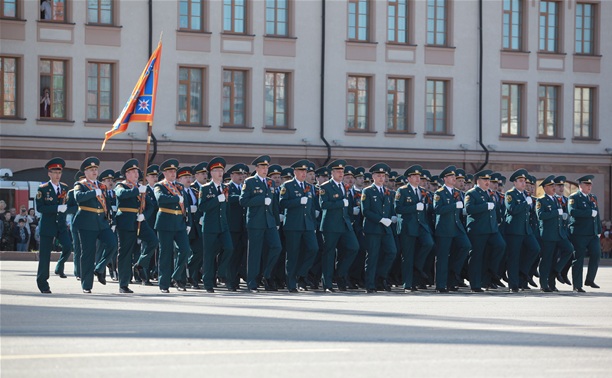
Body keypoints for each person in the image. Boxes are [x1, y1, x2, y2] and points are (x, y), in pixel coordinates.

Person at [73, 156, 118, 293]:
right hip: (86, 222)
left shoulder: (102, 186)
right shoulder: (80, 185)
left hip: (102, 222)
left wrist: (111, 220)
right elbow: (78, 198)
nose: (94, 172)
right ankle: (86, 285)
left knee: (112, 243)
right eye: (91, 170)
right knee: (88, 253)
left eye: (95, 169)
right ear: (85, 172)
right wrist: (93, 193)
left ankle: (99, 268)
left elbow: (107, 204)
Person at [114, 159, 159, 294]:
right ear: (126, 174)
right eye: (132, 172)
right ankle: (123, 284)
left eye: (137, 172)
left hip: (140, 221)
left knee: (153, 241)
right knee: (125, 253)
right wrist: (137, 190)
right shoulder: (121, 185)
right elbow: (122, 195)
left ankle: (140, 264)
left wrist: (144, 215)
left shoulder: (142, 187)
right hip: (126, 222)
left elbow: (151, 205)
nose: (136, 174)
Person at [239, 155, 282, 292]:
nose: (265, 169)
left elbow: (274, 204)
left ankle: (266, 274)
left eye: (266, 167)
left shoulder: (270, 182)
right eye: (262, 167)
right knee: (254, 253)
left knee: (277, 247)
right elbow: (243, 201)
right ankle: (252, 281)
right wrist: (261, 200)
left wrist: (276, 221)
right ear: (257, 168)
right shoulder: (250, 182)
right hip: (256, 222)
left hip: (269, 222)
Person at [318, 160, 359, 292]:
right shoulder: (325, 187)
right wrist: (340, 203)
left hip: (345, 224)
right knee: (329, 254)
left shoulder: (344, 186)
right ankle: (327, 284)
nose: (341, 174)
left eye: (342, 171)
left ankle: (340, 273)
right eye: (338, 171)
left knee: (354, 248)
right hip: (331, 225)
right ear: (332, 173)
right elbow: (324, 205)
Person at [279, 160, 318, 293]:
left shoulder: (310, 187)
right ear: (295, 172)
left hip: (307, 225)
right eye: (301, 171)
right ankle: (291, 283)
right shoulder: (288, 185)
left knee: (313, 249)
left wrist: (313, 224)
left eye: (305, 171)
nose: (303, 173)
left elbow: (312, 208)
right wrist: (298, 201)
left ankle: (301, 274)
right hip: (293, 225)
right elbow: (282, 203)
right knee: (293, 254)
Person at [464, 170, 506, 292]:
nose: (487, 182)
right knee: (476, 257)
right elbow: (469, 209)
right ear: (478, 181)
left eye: (488, 180)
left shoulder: (489, 193)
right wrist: (484, 206)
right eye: (485, 180)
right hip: (478, 230)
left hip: (491, 229)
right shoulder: (472, 193)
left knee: (500, 246)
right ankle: (475, 283)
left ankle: (490, 273)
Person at [154, 159, 192, 293]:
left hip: (179, 223)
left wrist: (188, 222)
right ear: (164, 173)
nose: (173, 174)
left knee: (185, 250)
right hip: (165, 222)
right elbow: (160, 199)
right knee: (165, 254)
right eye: (170, 171)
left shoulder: (180, 187)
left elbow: (186, 206)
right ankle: (164, 284)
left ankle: (176, 276)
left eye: (174, 171)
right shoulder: (160, 186)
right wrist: (176, 199)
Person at [394, 165, 434, 292]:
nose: (418, 179)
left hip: (421, 225)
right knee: (407, 255)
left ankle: (417, 268)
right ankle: (408, 283)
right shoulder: (402, 191)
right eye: (415, 177)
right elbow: (398, 209)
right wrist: (414, 208)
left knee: (429, 244)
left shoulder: (423, 191)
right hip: (408, 226)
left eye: (419, 177)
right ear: (409, 178)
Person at [35, 158, 72, 293]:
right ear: (49, 174)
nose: (57, 175)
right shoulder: (43, 189)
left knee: (68, 246)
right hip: (48, 225)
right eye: (54, 172)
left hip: (61, 225)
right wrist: (57, 208)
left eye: (59, 172)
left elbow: (68, 204)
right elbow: (40, 208)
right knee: (45, 256)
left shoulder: (65, 187)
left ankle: (59, 266)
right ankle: (43, 283)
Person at [433, 165, 471, 293]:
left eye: (454, 176)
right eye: (451, 176)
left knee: (465, 246)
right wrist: (454, 205)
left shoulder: (458, 193)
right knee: (442, 257)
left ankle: (452, 279)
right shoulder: (439, 193)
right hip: (444, 228)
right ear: (445, 179)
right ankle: (441, 284)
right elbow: (438, 210)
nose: (454, 178)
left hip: (457, 228)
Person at [198, 157, 234, 293]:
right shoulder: (205, 188)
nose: (220, 173)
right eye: (217, 170)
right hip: (210, 227)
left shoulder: (226, 188)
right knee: (209, 255)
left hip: (223, 226)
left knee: (229, 248)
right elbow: (202, 207)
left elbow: (227, 208)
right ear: (211, 173)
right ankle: (208, 283)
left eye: (221, 170)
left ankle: (221, 272)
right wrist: (216, 200)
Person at [361, 163, 397, 293]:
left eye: (383, 176)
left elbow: (390, 209)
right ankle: (370, 284)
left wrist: (392, 217)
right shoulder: (368, 191)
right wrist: (381, 219)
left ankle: (381, 277)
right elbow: (366, 211)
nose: (381, 178)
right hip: (373, 228)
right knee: (372, 256)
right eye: (379, 175)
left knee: (392, 252)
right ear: (373, 177)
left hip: (386, 228)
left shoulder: (387, 192)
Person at [503, 169, 541, 292]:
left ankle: (522, 272)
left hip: (526, 230)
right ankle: (513, 284)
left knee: (535, 249)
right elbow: (512, 210)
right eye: (520, 181)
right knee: (514, 257)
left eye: (524, 181)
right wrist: (525, 203)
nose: (523, 184)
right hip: (514, 230)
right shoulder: (510, 194)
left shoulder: (526, 195)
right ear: (514, 183)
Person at [536, 175, 575, 292]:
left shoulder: (556, 200)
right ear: (545, 188)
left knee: (569, 249)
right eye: (551, 186)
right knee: (547, 259)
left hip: (559, 234)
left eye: (554, 185)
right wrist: (555, 212)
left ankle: (557, 270)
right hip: (548, 234)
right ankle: (545, 284)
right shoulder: (541, 200)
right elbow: (541, 216)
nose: (554, 187)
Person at [568, 175, 602, 292]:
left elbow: (597, 214)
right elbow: (572, 211)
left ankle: (590, 279)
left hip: (592, 233)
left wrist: (599, 231)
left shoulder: (593, 197)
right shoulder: (574, 197)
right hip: (579, 233)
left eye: (590, 184)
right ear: (580, 185)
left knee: (597, 254)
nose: (589, 187)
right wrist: (588, 213)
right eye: (587, 184)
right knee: (578, 258)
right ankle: (577, 285)